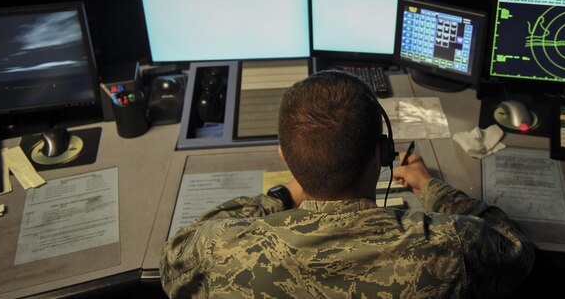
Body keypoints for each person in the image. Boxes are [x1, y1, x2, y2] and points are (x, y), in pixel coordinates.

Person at [160, 70, 535, 298]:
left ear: (285, 156)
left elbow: (172, 261)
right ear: (382, 153)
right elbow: (516, 250)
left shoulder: (223, 251)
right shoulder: (451, 245)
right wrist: (432, 188)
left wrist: (283, 194)